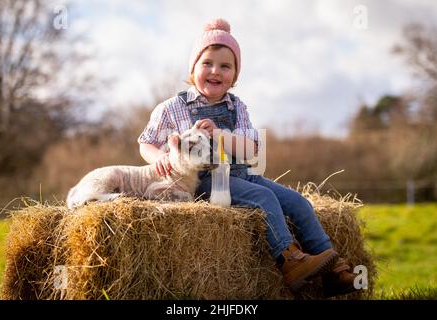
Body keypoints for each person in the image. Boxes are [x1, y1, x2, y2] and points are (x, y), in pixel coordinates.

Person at [138, 18, 358, 297]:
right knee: (263, 198)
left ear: (235, 75)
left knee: (298, 202)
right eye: (207, 63)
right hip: (205, 182)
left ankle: (333, 269)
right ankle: (289, 259)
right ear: (193, 68)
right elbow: (146, 142)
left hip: (243, 174)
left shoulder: (237, 107)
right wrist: (158, 157)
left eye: (225, 66)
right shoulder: (172, 108)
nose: (215, 71)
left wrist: (218, 134)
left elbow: (250, 150)